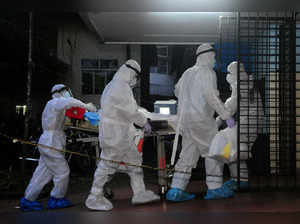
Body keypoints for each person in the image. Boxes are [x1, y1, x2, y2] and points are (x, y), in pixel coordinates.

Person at [85, 59, 160, 211]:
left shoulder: (113, 85)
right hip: (115, 134)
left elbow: (127, 108)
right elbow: (131, 111)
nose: (136, 81)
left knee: (134, 162)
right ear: (131, 73)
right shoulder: (120, 86)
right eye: (136, 77)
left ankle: (139, 192)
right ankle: (94, 196)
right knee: (107, 164)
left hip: (123, 134)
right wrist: (144, 122)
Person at [166, 43, 235, 202]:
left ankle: (176, 189)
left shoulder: (187, 73)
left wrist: (189, 97)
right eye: (213, 57)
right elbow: (212, 97)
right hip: (202, 121)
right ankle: (215, 188)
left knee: (187, 155)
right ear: (208, 56)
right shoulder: (207, 73)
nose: (214, 60)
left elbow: (176, 90)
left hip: (186, 121)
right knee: (215, 152)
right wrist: (226, 116)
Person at [20, 84, 97, 211]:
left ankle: (28, 199)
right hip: (51, 142)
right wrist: (86, 106)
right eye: (66, 91)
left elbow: (64, 117)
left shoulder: (55, 107)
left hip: (49, 142)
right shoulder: (54, 102)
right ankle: (56, 199)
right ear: (59, 92)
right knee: (62, 171)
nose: (67, 93)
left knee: (42, 174)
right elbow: (68, 101)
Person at [205, 61, 264, 199]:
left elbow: (231, 106)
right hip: (252, 125)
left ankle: (219, 184)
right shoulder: (249, 83)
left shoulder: (239, 84)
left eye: (229, 72)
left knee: (225, 145)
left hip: (247, 124)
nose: (228, 76)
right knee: (236, 149)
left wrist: (217, 121)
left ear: (235, 73)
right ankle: (240, 180)